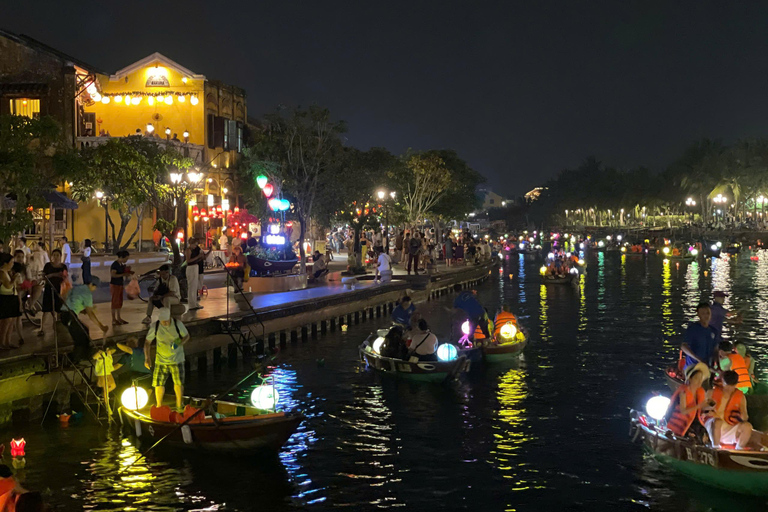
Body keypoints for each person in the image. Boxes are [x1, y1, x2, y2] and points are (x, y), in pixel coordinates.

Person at [145, 308, 190, 411]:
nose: (164, 322)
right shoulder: (155, 326)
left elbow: (186, 336)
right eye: (162, 320)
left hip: (177, 359)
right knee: (158, 384)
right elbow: (147, 342)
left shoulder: (178, 324)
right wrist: (147, 358)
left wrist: (179, 343)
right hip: (160, 360)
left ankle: (179, 405)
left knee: (178, 383)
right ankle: (159, 406)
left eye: (166, 320)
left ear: (170, 317)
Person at [701, 370, 752, 449]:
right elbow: (702, 409)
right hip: (713, 425)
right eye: (727, 385)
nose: (729, 389)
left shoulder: (741, 397)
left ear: (736, 384)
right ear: (722, 382)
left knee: (748, 426)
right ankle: (716, 448)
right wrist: (709, 410)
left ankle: (738, 451)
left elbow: (745, 417)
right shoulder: (711, 393)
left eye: (731, 386)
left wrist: (741, 416)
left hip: (730, 425)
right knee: (718, 421)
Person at [665, 362, 709, 437]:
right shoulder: (683, 392)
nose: (699, 381)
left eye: (700, 379)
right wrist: (698, 406)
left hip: (692, 423)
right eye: (696, 378)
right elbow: (683, 411)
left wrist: (708, 406)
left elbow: (700, 410)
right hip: (678, 424)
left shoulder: (700, 392)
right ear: (690, 378)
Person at [38, 248, 67, 337]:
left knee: (59, 309)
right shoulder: (48, 266)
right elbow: (44, 276)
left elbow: (65, 278)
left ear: (60, 256)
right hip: (49, 288)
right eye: (54, 255)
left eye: (57, 255)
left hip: (59, 289)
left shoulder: (63, 267)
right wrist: (53, 275)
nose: (56, 257)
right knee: (46, 309)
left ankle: (57, 326)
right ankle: (42, 328)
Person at [681, 302, 718, 370]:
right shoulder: (692, 329)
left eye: (708, 313)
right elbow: (683, 346)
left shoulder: (714, 331)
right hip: (693, 366)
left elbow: (715, 349)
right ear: (698, 314)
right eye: (703, 313)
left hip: (708, 366)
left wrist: (718, 366)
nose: (706, 316)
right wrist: (698, 359)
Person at [92, 342, 122, 415]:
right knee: (106, 389)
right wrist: (100, 353)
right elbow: (94, 357)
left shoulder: (109, 355)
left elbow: (110, 365)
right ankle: (107, 407)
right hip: (102, 373)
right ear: (108, 349)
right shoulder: (102, 354)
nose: (111, 353)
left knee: (113, 386)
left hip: (108, 372)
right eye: (111, 351)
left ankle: (102, 395)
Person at [0, 254, 19, 350]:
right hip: (5, 298)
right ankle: (2, 342)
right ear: (5, 263)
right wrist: (14, 278)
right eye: (11, 262)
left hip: (12, 296)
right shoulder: (2, 273)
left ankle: (8, 341)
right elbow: (8, 285)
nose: (12, 264)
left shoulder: (8, 272)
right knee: (5, 322)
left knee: (11, 321)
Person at [109, 250, 133, 326]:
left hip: (119, 284)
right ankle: (113, 319)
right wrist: (123, 274)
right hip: (115, 284)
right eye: (126, 258)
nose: (126, 260)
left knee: (119, 301)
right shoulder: (115, 265)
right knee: (115, 301)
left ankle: (118, 317)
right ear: (122, 257)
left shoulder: (120, 264)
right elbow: (113, 275)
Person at [184, 238, 205, 310]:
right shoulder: (188, 250)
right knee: (191, 286)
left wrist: (200, 257)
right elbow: (188, 261)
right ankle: (191, 304)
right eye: (194, 245)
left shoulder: (194, 250)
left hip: (196, 267)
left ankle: (195, 302)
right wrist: (198, 257)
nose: (195, 247)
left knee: (195, 286)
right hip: (191, 268)